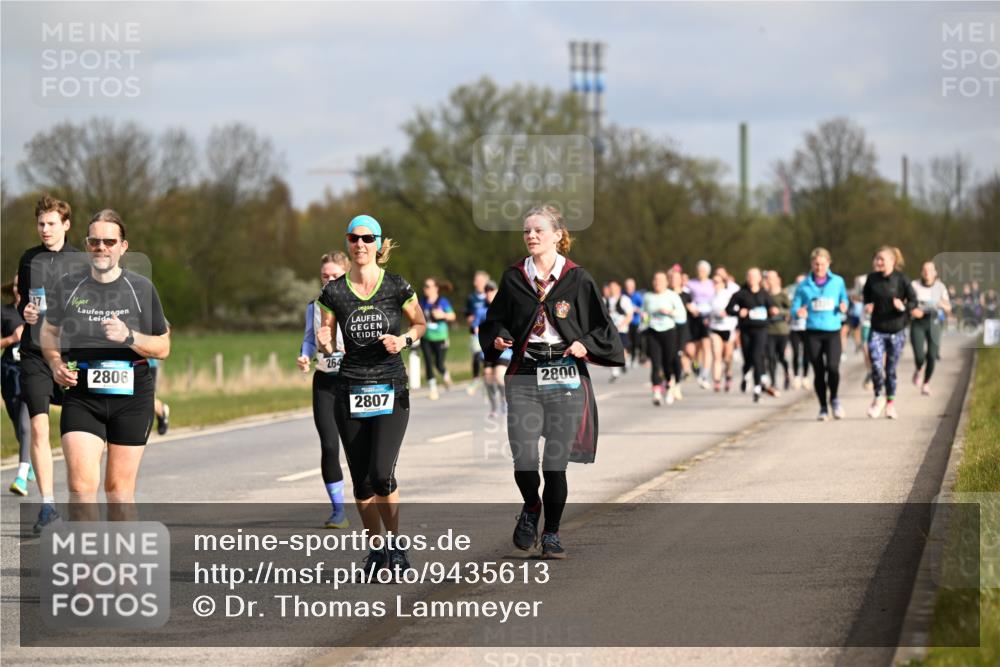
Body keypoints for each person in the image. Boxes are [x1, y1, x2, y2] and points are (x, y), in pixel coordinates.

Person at [479, 204, 624, 560]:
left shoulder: (578, 278)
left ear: (558, 235)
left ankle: (553, 534)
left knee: (554, 463)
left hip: (564, 373)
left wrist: (583, 344)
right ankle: (531, 507)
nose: (530, 236)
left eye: (538, 230)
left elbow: (603, 329)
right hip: (526, 374)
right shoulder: (514, 277)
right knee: (525, 458)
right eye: (526, 231)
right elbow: (495, 321)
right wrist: (498, 337)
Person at [316, 215, 426, 580]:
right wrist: (325, 341)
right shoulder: (335, 292)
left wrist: (403, 341)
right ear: (348, 243)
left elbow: (420, 324)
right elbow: (329, 338)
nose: (360, 244)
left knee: (382, 475)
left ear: (379, 244)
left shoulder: (396, 285)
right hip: (350, 389)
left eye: (367, 238)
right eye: (353, 238)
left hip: (391, 389)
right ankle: (376, 550)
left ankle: (396, 547)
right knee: (361, 482)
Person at [41, 209, 170, 518]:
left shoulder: (140, 289)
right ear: (87, 245)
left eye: (109, 242)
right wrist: (56, 362)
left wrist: (129, 337)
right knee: (81, 488)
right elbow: (48, 331)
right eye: (95, 241)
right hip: (82, 396)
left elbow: (163, 346)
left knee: (118, 492)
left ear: (123, 246)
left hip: (132, 397)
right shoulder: (68, 286)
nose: (101, 247)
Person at [16, 195, 81, 532]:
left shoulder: (80, 261)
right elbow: (25, 304)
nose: (45, 229)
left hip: (70, 354)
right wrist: (25, 312)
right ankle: (47, 507)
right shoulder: (28, 259)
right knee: (40, 428)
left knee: (75, 434)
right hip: (34, 353)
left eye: (51, 223)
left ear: (66, 225)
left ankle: (80, 499)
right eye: (41, 223)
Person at [297, 251, 351, 528]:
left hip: (355, 381)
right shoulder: (314, 306)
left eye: (335, 276)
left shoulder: (357, 303)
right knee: (330, 445)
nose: (329, 281)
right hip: (325, 382)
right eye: (325, 277)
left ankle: (371, 498)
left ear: (346, 274)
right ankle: (338, 511)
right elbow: (308, 339)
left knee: (358, 446)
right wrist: (305, 355)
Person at [792, 247, 849, 421]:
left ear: (828, 263)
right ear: (812, 264)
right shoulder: (803, 285)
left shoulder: (838, 281)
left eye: (822, 264)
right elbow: (795, 306)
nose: (819, 267)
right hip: (813, 332)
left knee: (833, 368)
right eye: (816, 264)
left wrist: (843, 305)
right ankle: (823, 406)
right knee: (818, 371)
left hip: (832, 331)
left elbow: (844, 298)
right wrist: (798, 312)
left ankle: (835, 399)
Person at [863, 246, 918, 419]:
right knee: (877, 366)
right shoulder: (871, 279)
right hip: (877, 330)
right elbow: (866, 297)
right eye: (877, 259)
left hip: (897, 330)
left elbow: (914, 301)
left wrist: (904, 306)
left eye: (882, 259)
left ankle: (890, 405)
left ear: (892, 262)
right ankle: (878, 397)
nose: (878, 262)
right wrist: (868, 306)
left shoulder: (902, 280)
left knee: (891, 369)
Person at [727, 268, 779, 402]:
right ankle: (746, 374)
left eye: (754, 276)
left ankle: (757, 389)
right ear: (746, 277)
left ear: (759, 278)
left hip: (761, 330)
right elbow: (729, 309)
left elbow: (772, 308)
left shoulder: (764, 294)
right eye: (749, 276)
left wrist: (773, 310)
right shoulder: (740, 294)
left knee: (757, 356)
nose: (752, 278)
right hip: (746, 330)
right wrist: (739, 312)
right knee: (748, 359)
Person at [3, 278, 34, 495]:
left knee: (25, 423)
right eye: (16, 286)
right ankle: (28, 459)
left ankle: (21, 475)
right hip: (9, 371)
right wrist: (12, 338)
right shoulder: (4, 313)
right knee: (16, 419)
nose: (18, 289)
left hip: (31, 372)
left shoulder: (38, 312)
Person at [643, 271, 686, 406]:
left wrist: (669, 312)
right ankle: (656, 392)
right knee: (655, 363)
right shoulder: (648, 297)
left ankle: (669, 385)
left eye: (661, 280)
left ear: (666, 282)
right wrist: (644, 318)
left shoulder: (672, 296)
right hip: (653, 332)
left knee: (668, 362)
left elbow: (682, 316)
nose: (657, 283)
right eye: (655, 280)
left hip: (669, 332)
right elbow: (644, 313)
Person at [910, 261, 952, 396]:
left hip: (933, 322)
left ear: (935, 272)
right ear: (921, 272)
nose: (927, 272)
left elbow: (948, 308)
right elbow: (907, 304)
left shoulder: (940, 287)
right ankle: (918, 369)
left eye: (930, 270)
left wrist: (941, 304)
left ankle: (926, 383)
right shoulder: (914, 285)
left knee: (932, 356)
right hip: (918, 323)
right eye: (924, 269)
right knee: (920, 356)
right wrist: (913, 311)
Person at [472, 280, 512, 418]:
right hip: (488, 349)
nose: (489, 293)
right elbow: (475, 327)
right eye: (487, 291)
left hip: (504, 349)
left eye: (492, 290)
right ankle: (494, 406)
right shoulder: (481, 310)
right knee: (488, 377)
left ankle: (505, 401)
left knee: (500, 376)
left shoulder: (504, 307)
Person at [419, 277, 456, 400]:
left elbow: (452, 316)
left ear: (436, 288)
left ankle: (445, 375)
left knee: (439, 364)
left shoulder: (442, 301)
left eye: (428, 286)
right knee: (428, 362)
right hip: (426, 337)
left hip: (440, 337)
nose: (425, 289)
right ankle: (433, 389)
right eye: (425, 286)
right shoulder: (422, 301)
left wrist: (443, 315)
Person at [686, 260, 715, 389]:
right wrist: (690, 307)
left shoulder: (712, 284)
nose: (701, 272)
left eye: (703, 270)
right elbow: (685, 297)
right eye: (699, 270)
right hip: (694, 317)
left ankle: (705, 374)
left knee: (706, 346)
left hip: (708, 318)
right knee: (694, 348)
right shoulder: (690, 284)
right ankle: (696, 364)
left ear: (708, 272)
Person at [708, 271, 738, 392]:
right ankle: (717, 381)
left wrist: (726, 313)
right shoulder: (711, 296)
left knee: (727, 357)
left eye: (717, 282)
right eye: (713, 282)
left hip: (728, 328)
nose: (714, 284)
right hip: (715, 328)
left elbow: (735, 309)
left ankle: (728, 376)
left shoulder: (729, 295)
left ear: (723, 283)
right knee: (717, 355)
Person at [764, 271, 792, 391]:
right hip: (768, 330)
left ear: (777, 280)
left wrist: (779, 311)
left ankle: (786, 372)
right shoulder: (764, 295)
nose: (769, 281)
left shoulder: (783, 295)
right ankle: (773, 382)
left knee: (781, 356)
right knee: (770, 357)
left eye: (771, 278)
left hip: (782, 330)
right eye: (767, 278)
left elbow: (791, 310)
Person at [464, 271, 490, 395]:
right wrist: (472, 319)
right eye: (475, 281)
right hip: (475, 332)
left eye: (478, 281)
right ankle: (475, 379)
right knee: (476, 354)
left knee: (487, 357)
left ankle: (487, 379)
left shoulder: (490, 296)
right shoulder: (471, 298)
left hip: (489, 333)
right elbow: (467, 315)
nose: (475, 283)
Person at [668, 266, 691, 401]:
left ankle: (677, 384)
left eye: (676, 278)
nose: (673, 280)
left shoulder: (686, 295)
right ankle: (670, 382)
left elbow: (693, 312)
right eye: (671, 278)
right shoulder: (664, 294)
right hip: (667, 329)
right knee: (668, 356)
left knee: (677, 355)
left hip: (682, 329)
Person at [605, 280, 634, 381]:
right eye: (610, 287)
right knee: (610, 350)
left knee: (622, 349)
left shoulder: (624, 299)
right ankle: (614, 372)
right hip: (609, 330)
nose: (612, 289)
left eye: (614, 286)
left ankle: (624, 362)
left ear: (619, 288)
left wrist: (621, 325)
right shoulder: (605, 300)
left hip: (622, 330)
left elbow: (630, 315)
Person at [788, 273, 809, 390]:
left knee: (806, 354)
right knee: (796, 353)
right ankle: (796, 377)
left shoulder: (809, 295)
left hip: (806, 328)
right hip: (795, 328)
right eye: (797, 282)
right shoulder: (792, 295)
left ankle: (805, 377)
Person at [624, 278, 645, 367]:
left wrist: (637, 309)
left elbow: (644, 308)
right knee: (628, 342)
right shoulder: (623, 296)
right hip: (626, 322)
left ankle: (635, 358)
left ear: (634, 287)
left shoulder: (638, 296)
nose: (629, 289)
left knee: (636, 341)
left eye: (630, 287)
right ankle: (629, 358)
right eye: (627, 287)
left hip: (636, 322)